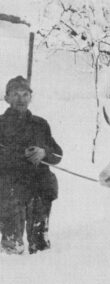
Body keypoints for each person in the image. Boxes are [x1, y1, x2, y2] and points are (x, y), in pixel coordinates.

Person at [0, 76, 62, 254]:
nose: (21, 99)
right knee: (12, 246)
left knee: (40, 245)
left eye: (25, 94)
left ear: (30, 97)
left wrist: (44, 153)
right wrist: (21, 155)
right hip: (9, 189)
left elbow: (58, 154)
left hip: (39, 188)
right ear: (7, 98)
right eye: (15, 94)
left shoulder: (40, 124)